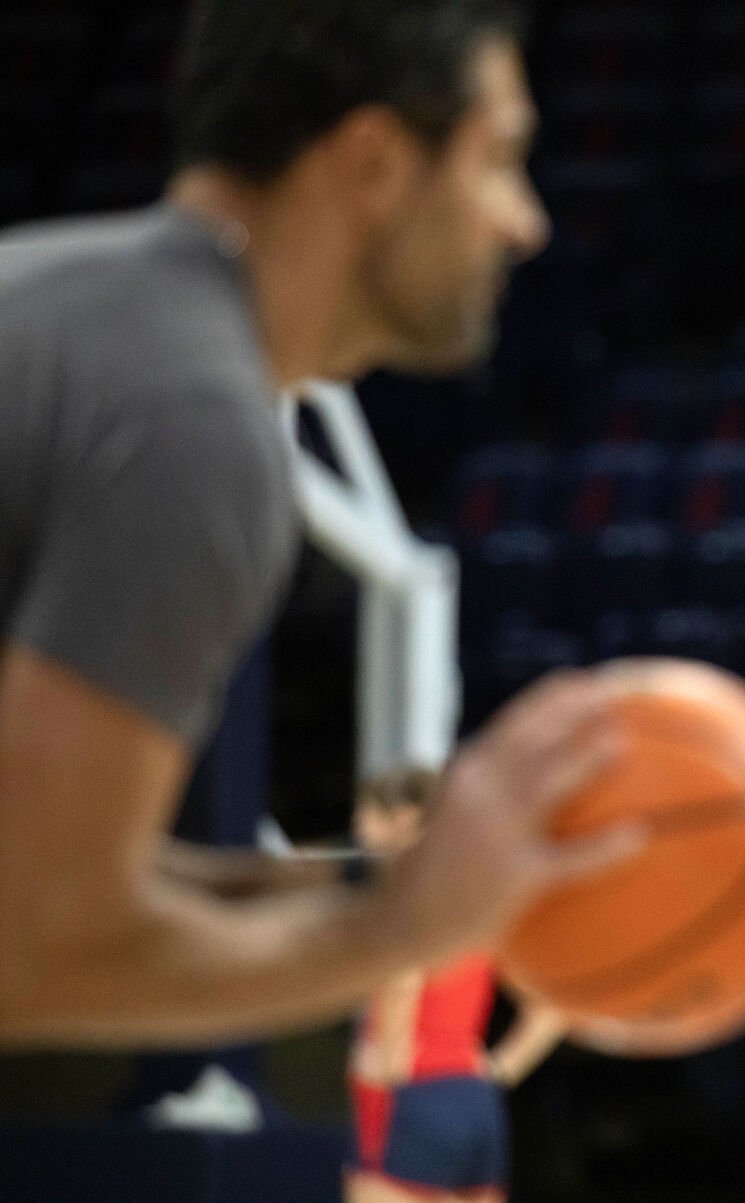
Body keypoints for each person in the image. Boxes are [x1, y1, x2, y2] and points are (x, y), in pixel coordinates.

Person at [0, 0, 638, 1048]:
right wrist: (397, 930)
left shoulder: (62, 301)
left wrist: (381, 885)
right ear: (376, 164)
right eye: (499, 160)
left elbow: (31, 860)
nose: (524, 220)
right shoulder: (189, 427)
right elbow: (36, 946)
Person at [346, 780, 571, 1203]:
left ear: (407, 820)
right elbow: (552, 1010)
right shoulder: (485, 908)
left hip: (409, 1091)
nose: (358, 827)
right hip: (475, 1101)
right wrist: (500, 1069)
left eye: (369, 814)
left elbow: (404, 978)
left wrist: (393, 1058)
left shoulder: (411, 896)